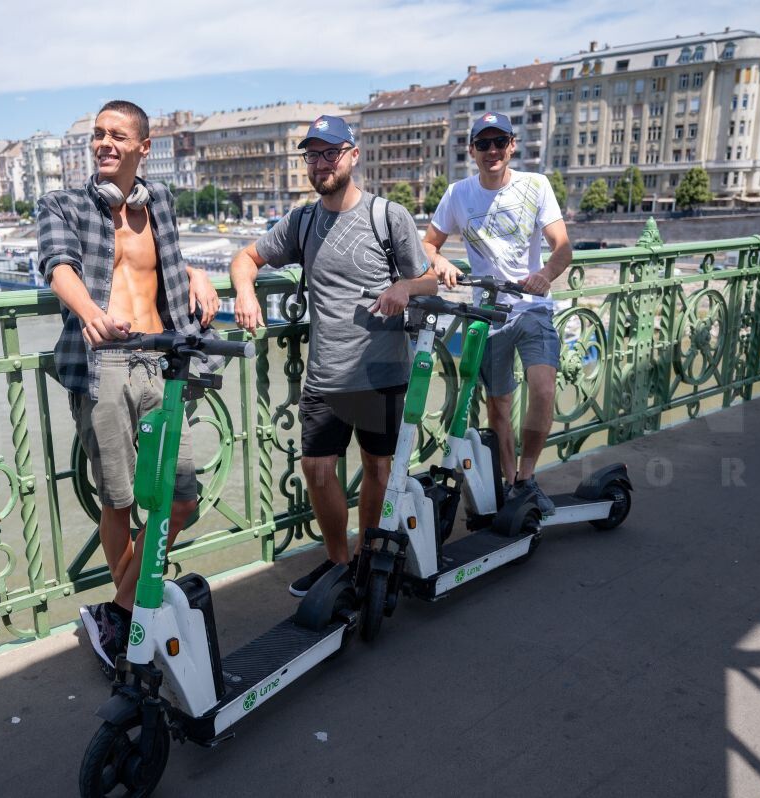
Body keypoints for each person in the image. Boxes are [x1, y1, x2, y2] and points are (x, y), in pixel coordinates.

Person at [36, 100, 221, 676]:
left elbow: (165, 261)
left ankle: (116, 610)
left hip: (164, 360)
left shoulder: (159, 200)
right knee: (117, 498)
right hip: (105, 362)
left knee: (181, 495)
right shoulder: (62, 203)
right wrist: (89, 311)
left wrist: (195, 273)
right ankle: (133, 623)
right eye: (97, 135)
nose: (104, 143)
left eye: (117, 135)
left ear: (143, 145)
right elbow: (56, 264)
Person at [230, 115, 437, 596]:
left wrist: (405, 286)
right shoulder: (302, 221)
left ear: (352, 156)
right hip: (326, 373)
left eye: (330, 153)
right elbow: (246, 258)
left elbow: (427, 279)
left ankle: (367, 555)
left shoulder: (389, 216)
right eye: (312, 155)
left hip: (383, 368)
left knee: (379, 468)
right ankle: (337, 561)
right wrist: (245, 293)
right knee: (317, 469)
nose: (321, 164)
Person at [421, 111, 572, 514]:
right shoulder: (458, 194)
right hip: (487, 313)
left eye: (499, 142)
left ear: (512, 145)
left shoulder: (535, 185)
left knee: (542, 390)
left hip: (531, 307)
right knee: (498, 406)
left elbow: (562, 247)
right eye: (483, 144)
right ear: (472, 150)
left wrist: (544, 275)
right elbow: (428, 245)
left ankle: (527, 475)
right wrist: (441, 265)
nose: (492, 151)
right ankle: (509, 482)